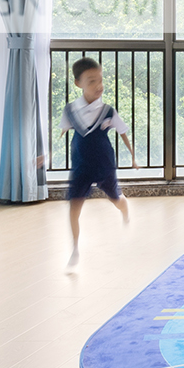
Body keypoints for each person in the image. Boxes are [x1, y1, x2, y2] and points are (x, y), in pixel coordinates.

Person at [58, 57, 134, 268]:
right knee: (74, 205)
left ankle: (125, 208)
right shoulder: (70, 110)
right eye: (91, 81)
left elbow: (122, 132)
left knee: (115, 198)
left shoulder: (108, 111)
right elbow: (61, 133)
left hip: (104, 164)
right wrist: (45, 154)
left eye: (100, 80)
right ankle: (75, 248)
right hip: (80, 165)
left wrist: (133, 157)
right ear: (78, 83)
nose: (98, 85)